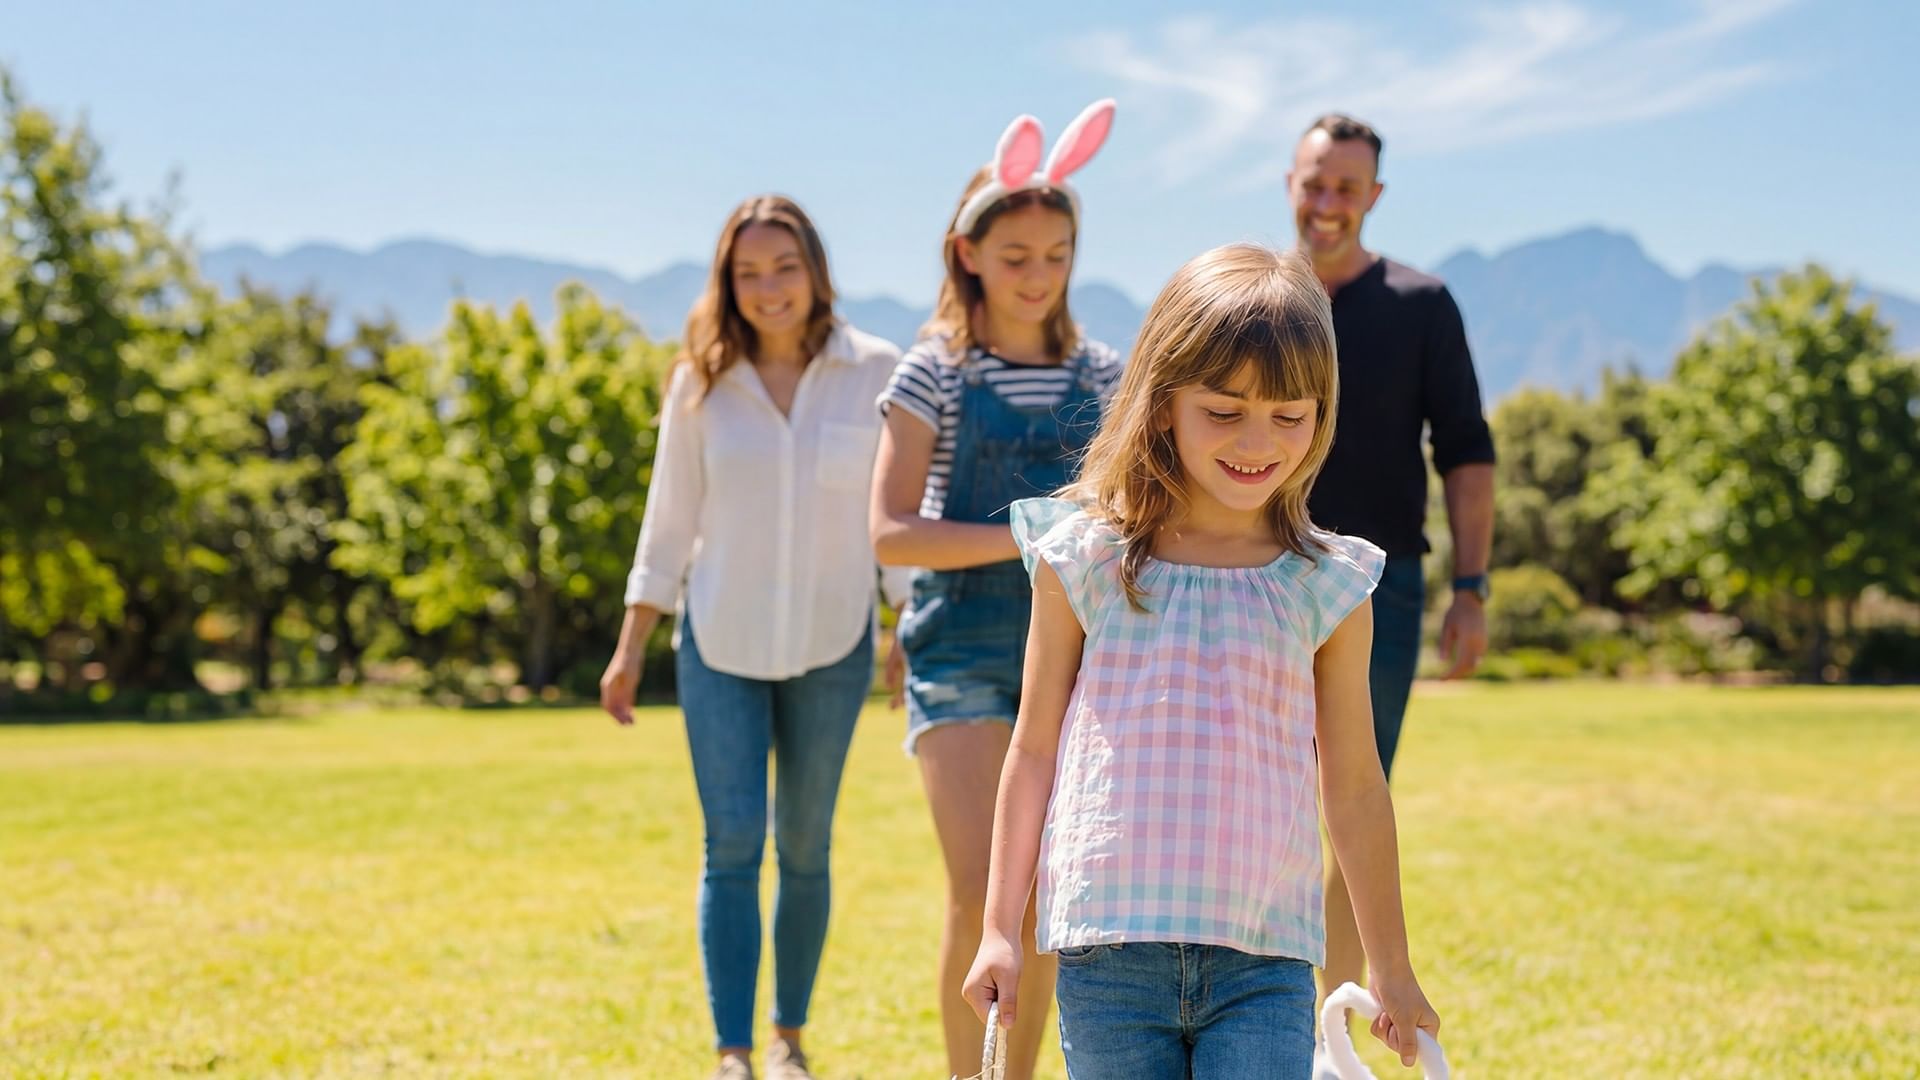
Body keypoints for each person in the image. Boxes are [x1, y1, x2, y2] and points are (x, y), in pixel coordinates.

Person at [960, 243, 1440, 1079]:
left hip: (1266, 959)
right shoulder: (1086, 561)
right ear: (1161, 403)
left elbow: (1357, 784)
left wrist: (1388, 965)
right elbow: (1033, 748)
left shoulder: (1328, 584)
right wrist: (1000, 927)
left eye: (1290, 416)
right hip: (1108, 953)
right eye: (1225, 411)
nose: (1259, 442)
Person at [600, 194, 907, 1080]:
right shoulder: (698, 382)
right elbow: (669, 523)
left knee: (805, 845)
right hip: (719, 646)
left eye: (785, 268)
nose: (769, 289)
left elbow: (888, 515)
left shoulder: (875, 372)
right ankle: (732, 1051)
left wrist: (903, 622)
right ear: (727, 284)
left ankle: (788, 1041)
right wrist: (630, 644)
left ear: (815, 271)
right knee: (731, 844)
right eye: (749, 273)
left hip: (833, 644)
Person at [868, 100, 1122, 1080]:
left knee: (1048, 893)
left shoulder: (1102, 373)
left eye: (1056, 254)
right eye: (1015, 255)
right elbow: (892, 530)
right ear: (966, 253)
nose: (1038, 275)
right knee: (984, 896)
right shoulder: (932, 370)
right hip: (964, 652)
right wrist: (1027, 535)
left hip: (1076, 658)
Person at [1286, 113, 1495, 1023]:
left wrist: (1471, 588)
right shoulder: (1257, 299)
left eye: (1347, 188)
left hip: (1382, 589)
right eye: (1315, 183)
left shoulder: (1421, 305)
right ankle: (1259, 1009)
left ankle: (1319, 1027)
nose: (1328, 204)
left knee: (1349, 804)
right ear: (1291, 183)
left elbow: (1467, 450)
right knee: (1262, 798)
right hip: (1258, 576)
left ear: (1374, 196)